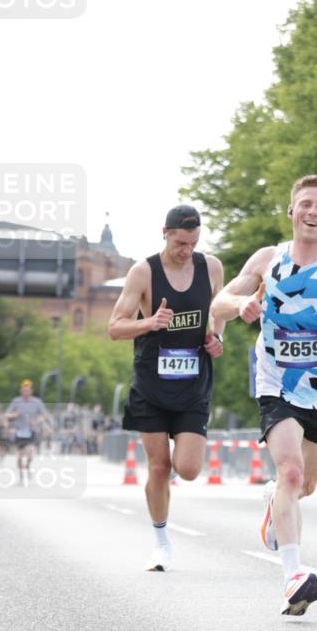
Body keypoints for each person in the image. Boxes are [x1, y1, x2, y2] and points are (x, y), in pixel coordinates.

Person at [211, 174, 317, 617]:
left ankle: (275, 502)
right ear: (291, 211)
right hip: (276, 381)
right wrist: (242, 307)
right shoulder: (268, 260)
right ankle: (292, 577)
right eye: (305, 204)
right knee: (290, 472)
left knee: (304, 484)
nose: (312, 212)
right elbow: (219, 302)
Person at [108, 204, 224, 571]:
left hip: (193, 383)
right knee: (159, 467)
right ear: (165, 233)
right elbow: (115, 327)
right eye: (179, 242)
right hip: (151, 384)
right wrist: (150, 323)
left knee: (187, 469)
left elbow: (218, 313)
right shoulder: (143, 273)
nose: (186, 250)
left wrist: (217, 337)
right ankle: (160, 541)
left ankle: (167, 505)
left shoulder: (212, 268)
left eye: (192, 243)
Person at [4, 379, 49, 484]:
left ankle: (27, 467)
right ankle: (21, 473)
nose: (25, 392)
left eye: (28, 390)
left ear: (31, 391)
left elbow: (45, 414)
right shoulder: (16, 401)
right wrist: (14, 415)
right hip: (18, 431)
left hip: (31, 431)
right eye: (24, 390)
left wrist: (38, 420)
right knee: (19, 456)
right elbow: (6, 414)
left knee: (29, 453)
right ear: (21, 391)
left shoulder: (37, 402)